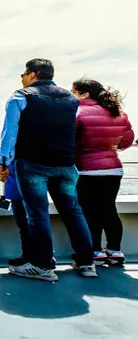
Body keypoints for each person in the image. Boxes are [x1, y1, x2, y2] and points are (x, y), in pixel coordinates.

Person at [0, 59, 96, 281]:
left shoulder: (20, 96)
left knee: (37, 214)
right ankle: (86, 262)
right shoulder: (71, 99)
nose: (21, 78)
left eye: (23, 73)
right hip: (65, 165)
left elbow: (9, 133)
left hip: (32, 165)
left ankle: (42, 266)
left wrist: (4, 162)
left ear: (33, 74)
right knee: (73, 211)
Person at [72, 78, 134, 265]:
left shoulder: (77, 112)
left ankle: (95, 251)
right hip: (114, 169)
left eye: (73, 92)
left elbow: (70, 141)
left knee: (89, 211)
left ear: (85, 94)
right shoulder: (119, 113)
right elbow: (125, 142)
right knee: (109, 209)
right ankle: (115, 251)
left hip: (86, 170)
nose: (71, 96)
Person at [0, 151, 30, 265]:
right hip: (37, 191)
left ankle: (27, 256)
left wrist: (1, 151)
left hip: (17, 194)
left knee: (24, 226)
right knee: (38, 224)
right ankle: (45, 255)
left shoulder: (8, 150)